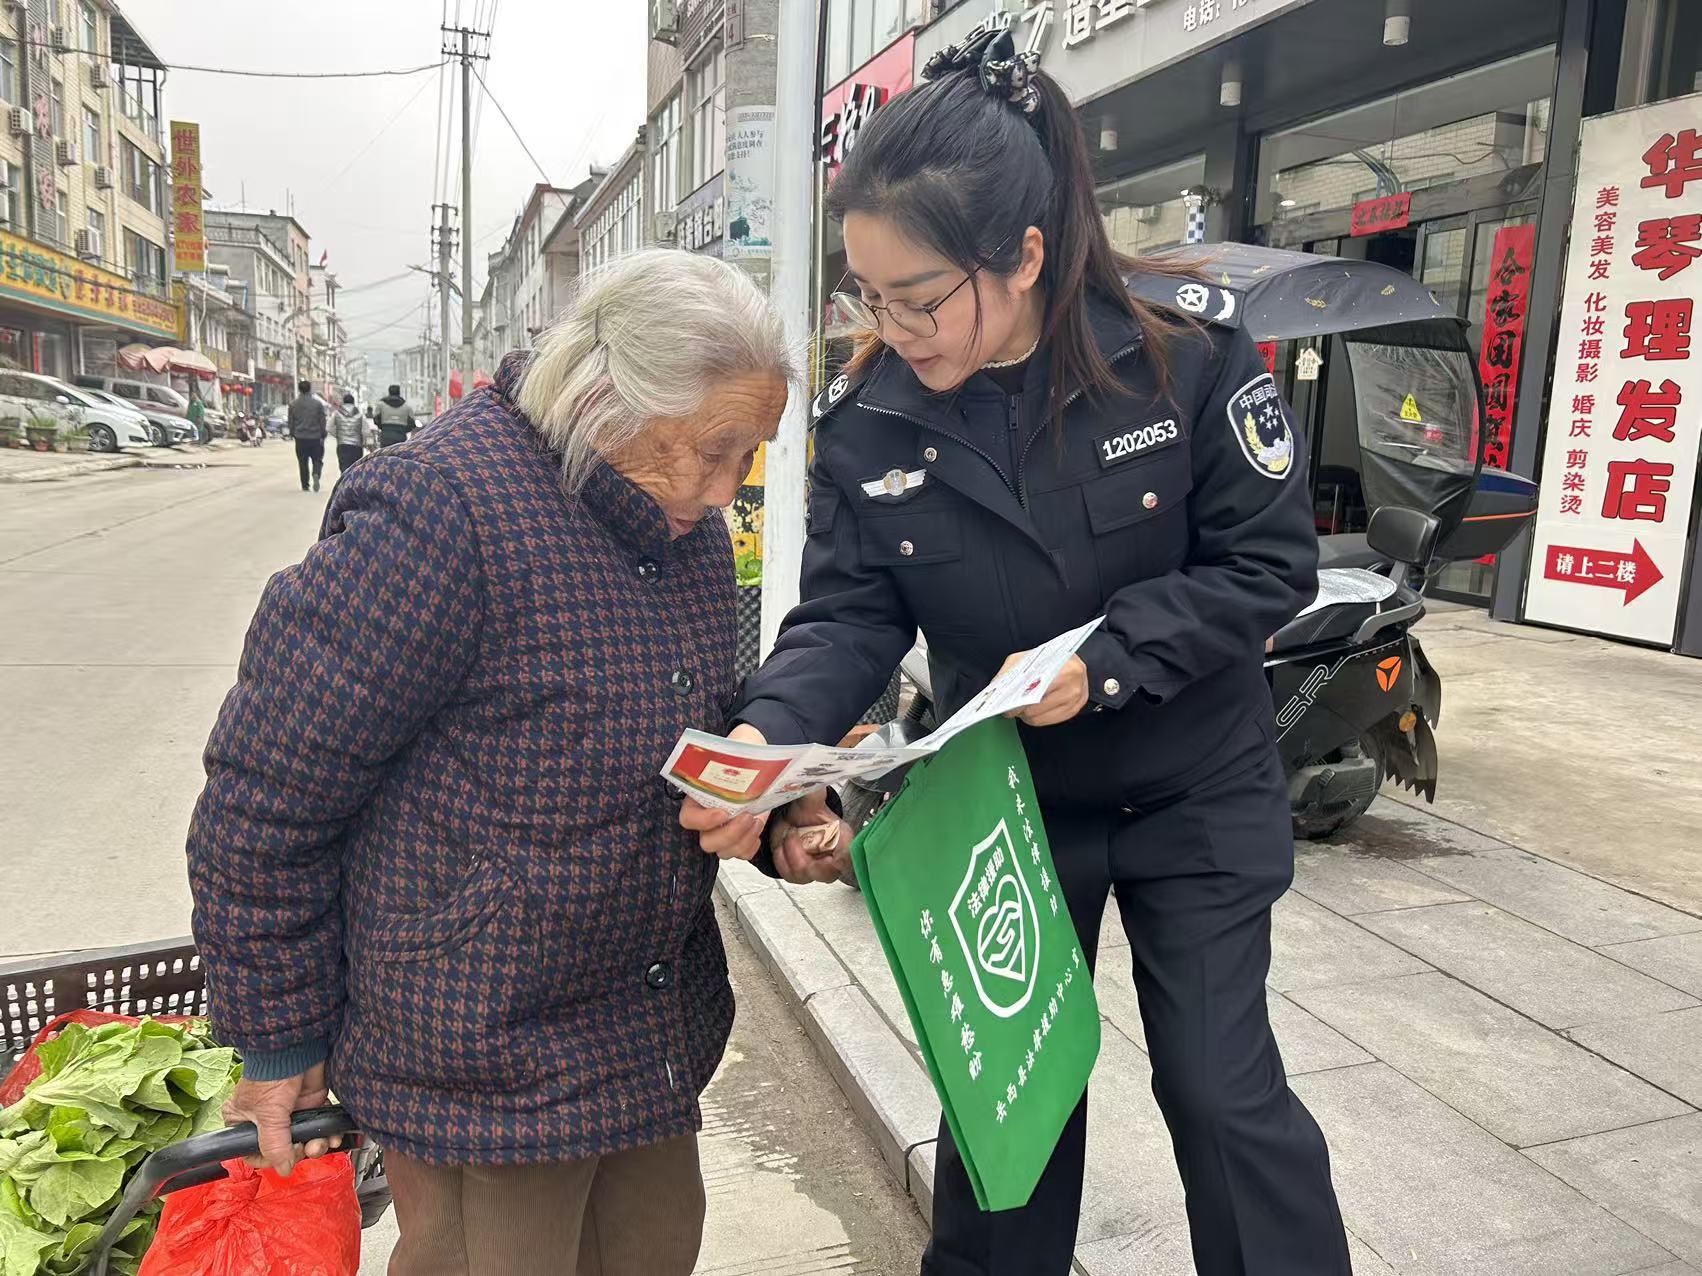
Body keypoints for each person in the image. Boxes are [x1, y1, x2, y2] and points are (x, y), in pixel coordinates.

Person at [683, 29, 1347, 1276]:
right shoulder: (871, 420)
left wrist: (1108, 659)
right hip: (1009, 803)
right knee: (1006, 1115)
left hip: (1190, 787)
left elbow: (1266, 568)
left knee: (1217, 1088)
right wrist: (772, 737)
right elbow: (849, 617)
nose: (894, 326)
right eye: (868, 295)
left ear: (1025, 255)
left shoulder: (1180, 357)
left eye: (920, 296)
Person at [187, 249, 797, 1276]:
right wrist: (279, 1037)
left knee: (653, 1251)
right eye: (712, 451)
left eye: (749, 455)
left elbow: (688, 726)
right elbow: (269, 790)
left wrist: (775, 806)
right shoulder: (441, 509)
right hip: (478, 1054)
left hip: (643, 1027)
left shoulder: (683, 525)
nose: (729, 487)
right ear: (605, 403)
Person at [286, 379, 329, 492]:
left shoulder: (293, 404)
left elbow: (291, 422)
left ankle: (305, 485)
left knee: (302, 462)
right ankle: (316, 473)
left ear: (299, 389)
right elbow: (322, 420)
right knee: (317, 459)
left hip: (300, 437)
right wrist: (323, 433)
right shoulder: (318, 404)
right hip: (315, 437)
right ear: (310, 389)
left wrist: (292, 433)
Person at [374, 383, 417, 447]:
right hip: (401, 436)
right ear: (399, 392)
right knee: (399, 452)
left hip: (386, 435)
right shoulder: (407, 406)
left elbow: (376, 419)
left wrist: (383, 427)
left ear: (389, 392)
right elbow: (412, 423)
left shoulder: (381, 405)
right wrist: (404, 430)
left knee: (385, 452)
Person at [331, 391, 365, 473]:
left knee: (344, 468)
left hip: (342, 445)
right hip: (356, 446)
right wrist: (362, 439)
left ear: (343, 402)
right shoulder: (359, 415)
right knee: (356, 469)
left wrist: (338, 435)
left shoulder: (337, 413)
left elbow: (329, 427)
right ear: (353, 402)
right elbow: (366, 431)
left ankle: (344, 481)